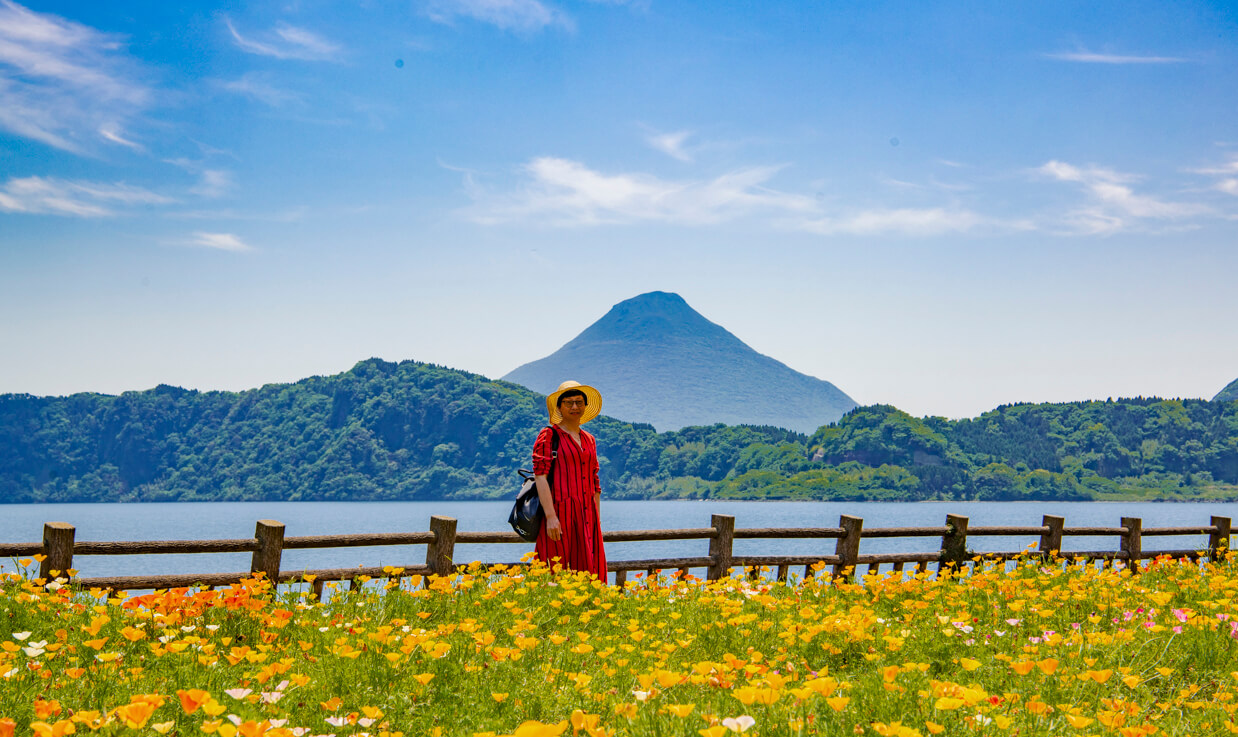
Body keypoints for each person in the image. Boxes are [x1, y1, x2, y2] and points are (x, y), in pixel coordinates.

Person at [532, 380, 607, 580]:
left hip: (587, 515)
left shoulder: (590, 439)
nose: (574, 407)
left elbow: (594, 482)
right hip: (559, 513)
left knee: (590, 574)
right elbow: (540, 475)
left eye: (579, 402)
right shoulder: (549, 435)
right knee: (555, 570)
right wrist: (550, 517)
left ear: (585, 406)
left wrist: (596, 521)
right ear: (559, 407)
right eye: (568, 402)